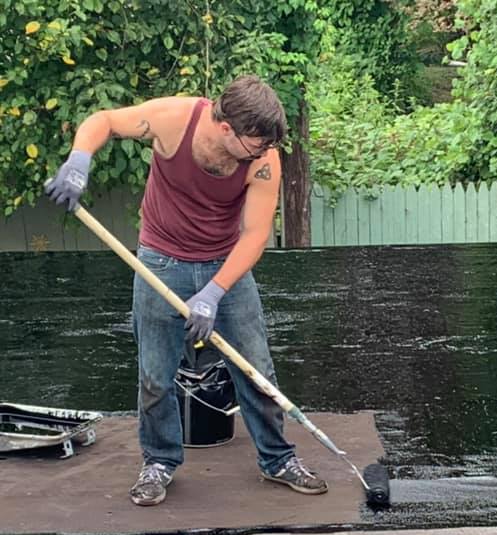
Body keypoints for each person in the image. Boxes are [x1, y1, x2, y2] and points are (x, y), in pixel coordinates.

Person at [44, 75, 327, 506]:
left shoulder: (263, 159)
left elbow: (254, 236)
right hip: (160, 261)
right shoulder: (174, 119)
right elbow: (103, 120)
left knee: (257, 371)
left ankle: (277, 460)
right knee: (156, 376)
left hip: (225, 266)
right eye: (255, 143)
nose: (263, 152)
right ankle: (159, 461)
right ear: (227, 127)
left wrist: (214, 292)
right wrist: (79, 159)